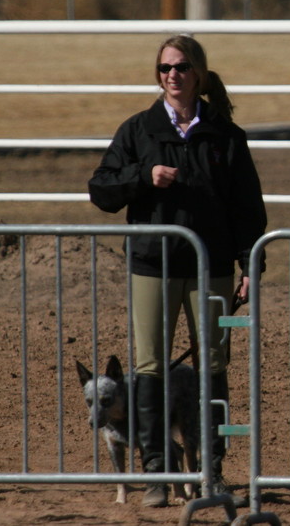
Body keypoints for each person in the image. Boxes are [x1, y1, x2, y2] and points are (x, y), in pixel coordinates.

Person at [88, 35, 267, 508]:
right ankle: (155, 474)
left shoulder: (226, 136)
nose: (173, 75)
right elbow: (101, 189)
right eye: (165, 67)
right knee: (148, 369)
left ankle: (212, 471)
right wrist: (142, 178)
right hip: (152, 267)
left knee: (212, 366)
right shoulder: (139, 131)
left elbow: (248, 209)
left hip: (212, 269)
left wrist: (250, 263)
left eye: (182, 67)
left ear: (199, 74)